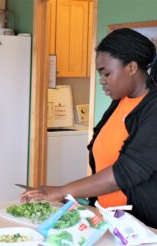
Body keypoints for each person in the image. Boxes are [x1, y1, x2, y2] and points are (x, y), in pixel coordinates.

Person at [21, 28, 157, 228]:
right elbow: (104, 163)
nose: (101, 80)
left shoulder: (153, 109)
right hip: (108, 219)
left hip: (142, 227)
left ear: (131, 67)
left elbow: (126, 171)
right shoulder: (121, 102)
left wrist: (61, 191)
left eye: (107, 73)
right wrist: (79, 197)